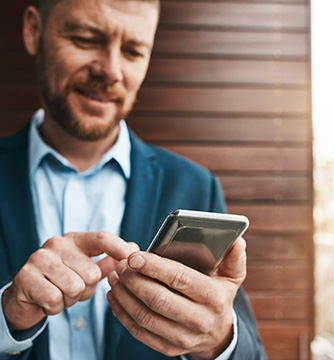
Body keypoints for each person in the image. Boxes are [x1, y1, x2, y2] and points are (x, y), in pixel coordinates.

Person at [0, 0, 267, 359]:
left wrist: (217, 338)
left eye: (133, 51)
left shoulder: (196, 187)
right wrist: (7, 316)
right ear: (34, 30)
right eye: (85, 38)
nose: (110, 70)